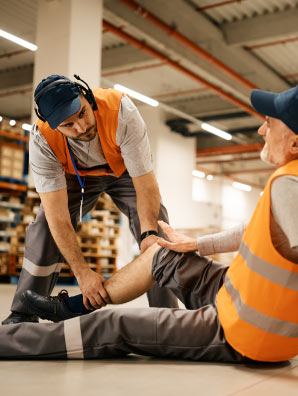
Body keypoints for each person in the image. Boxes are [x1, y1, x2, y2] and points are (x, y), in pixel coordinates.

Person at [0, 82, 298, 364]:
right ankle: (69, 306)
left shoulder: (293, 187)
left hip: (250, 331)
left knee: (112, 324)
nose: (261, 128)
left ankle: (10, 340)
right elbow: (257, 230)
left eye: (271, 123)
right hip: (240, 293)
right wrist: (195, 244)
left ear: (296, 143)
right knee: (161, 251)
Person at [1, 74, 178, 325]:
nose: (81, 128)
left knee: (159, 231)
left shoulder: (120, 111)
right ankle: (23, 312)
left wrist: (148, 232)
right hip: (74, 175)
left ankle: (166, 314)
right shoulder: (43, 141)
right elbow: (57, 216)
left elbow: (145, 185)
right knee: (43, 227)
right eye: (68, 125)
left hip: (124, 170)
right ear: (53, 126)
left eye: (82, 113)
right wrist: (82, 272)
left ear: (86, 96)